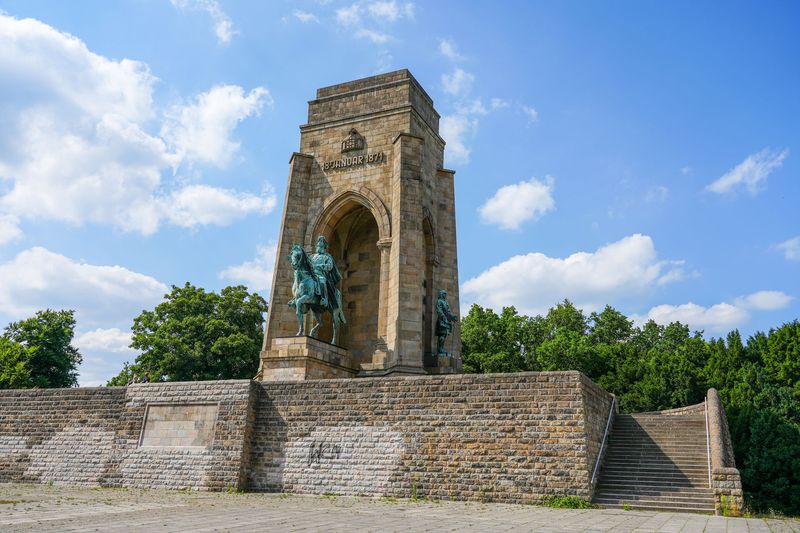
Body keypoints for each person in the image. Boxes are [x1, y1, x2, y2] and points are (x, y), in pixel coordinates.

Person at [310, 235, 341, 309]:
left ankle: (324, 299)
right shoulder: (312, 257)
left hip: (321, 275)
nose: (319, 246)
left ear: (324, 246)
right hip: (312, 275)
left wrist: (320, 266)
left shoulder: (327, 257)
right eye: (318, 244)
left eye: (321, 245)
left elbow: (330, 266)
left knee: (322, 280)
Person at [436, 289, 458, 356]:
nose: (445, 295)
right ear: (441, 294)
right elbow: (439, 310)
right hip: (441, 320)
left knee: (444, 334)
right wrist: (443, 317)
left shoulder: (446, 303)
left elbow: (448, 312)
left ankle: (441, 349)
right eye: (444, 294)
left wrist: (453, 317)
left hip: (445, 321)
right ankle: (440, 349)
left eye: (445, 294)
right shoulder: (439, 301)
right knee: (442, 334)